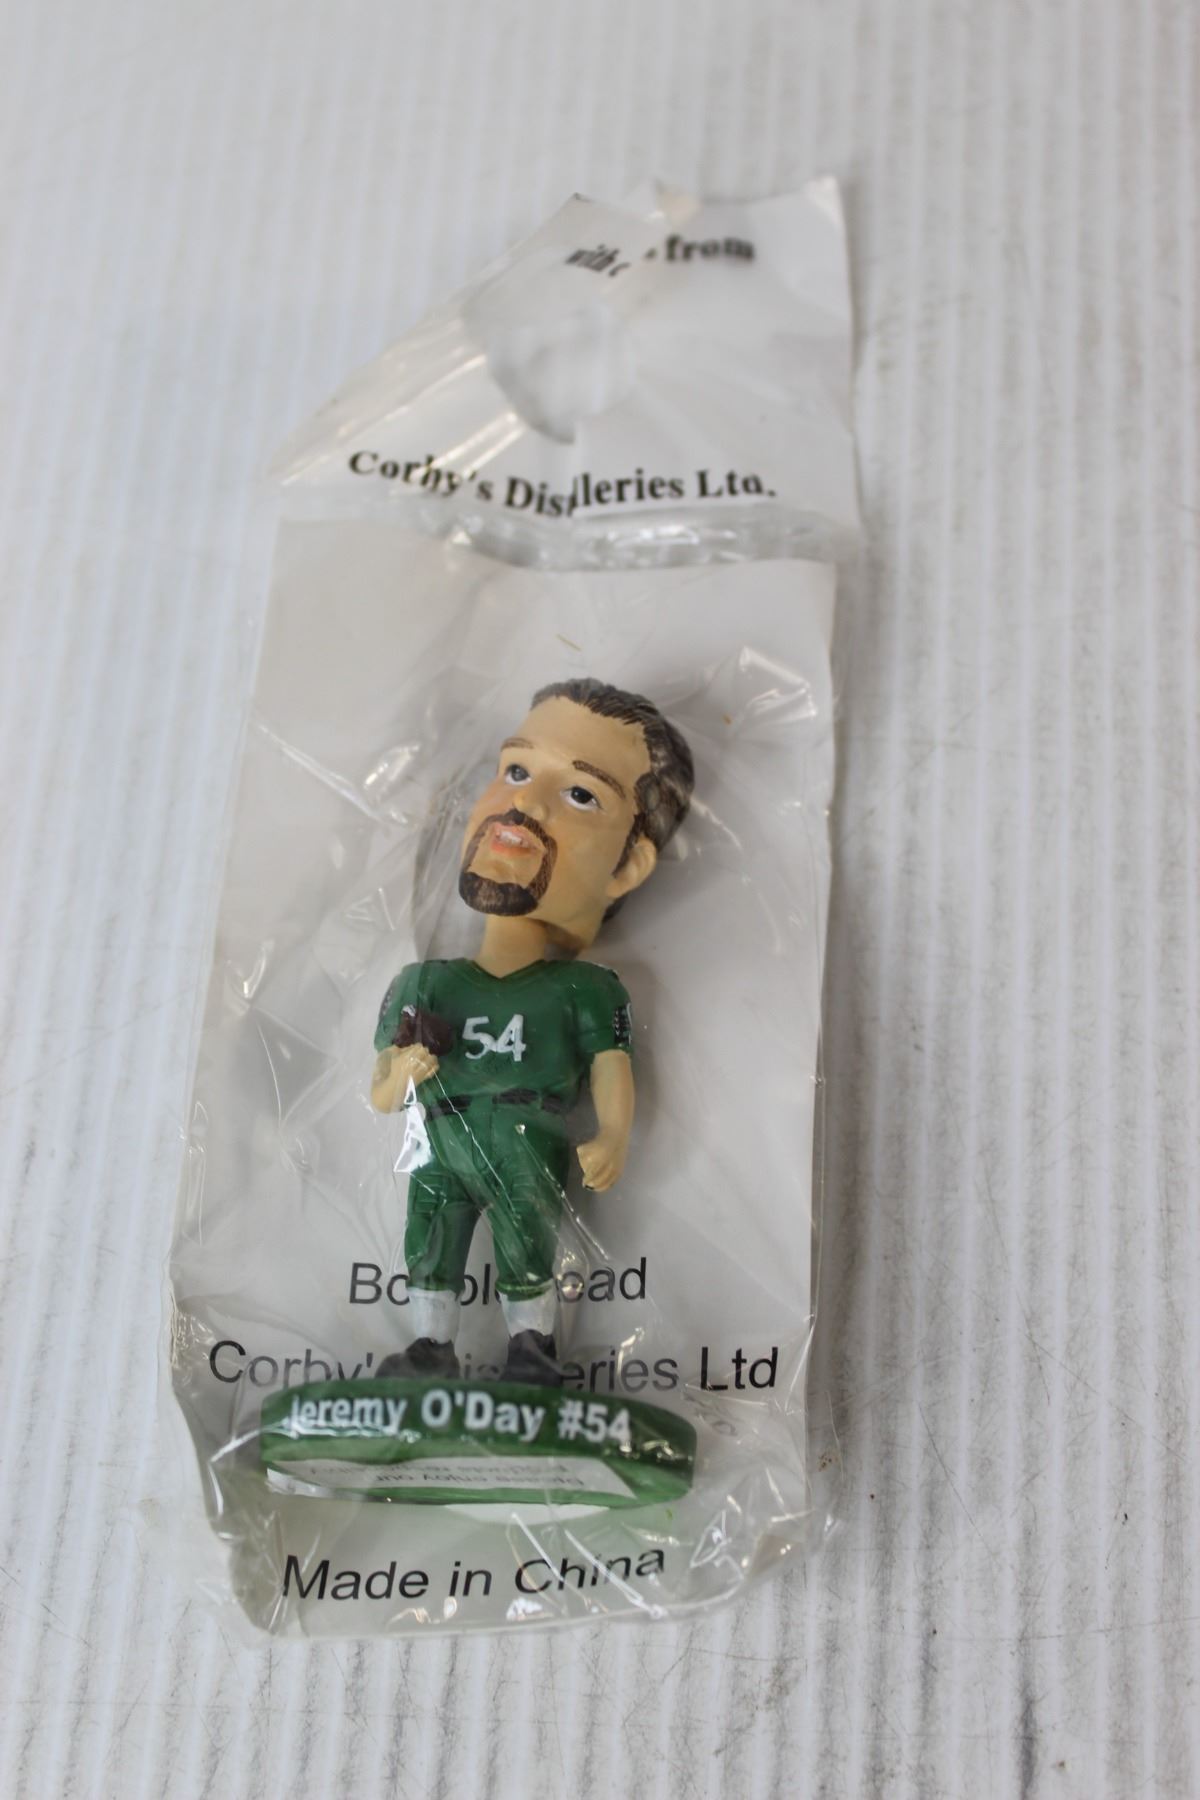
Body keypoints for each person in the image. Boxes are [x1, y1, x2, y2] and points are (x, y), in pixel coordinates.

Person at [370, 677, 693, 1385]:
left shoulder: (584, 990)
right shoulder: (423, 985)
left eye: (580, 793)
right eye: (516, 770)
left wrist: (613, 1134)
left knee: (526, 1241)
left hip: (526, 1141)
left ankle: (531, 1349)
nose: (524, 802)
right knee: (432, 1238)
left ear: (628, 864)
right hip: (442, 1139)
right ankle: (429, 1346)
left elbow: (610, 1064)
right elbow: (383, 1092)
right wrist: (403, 1076)